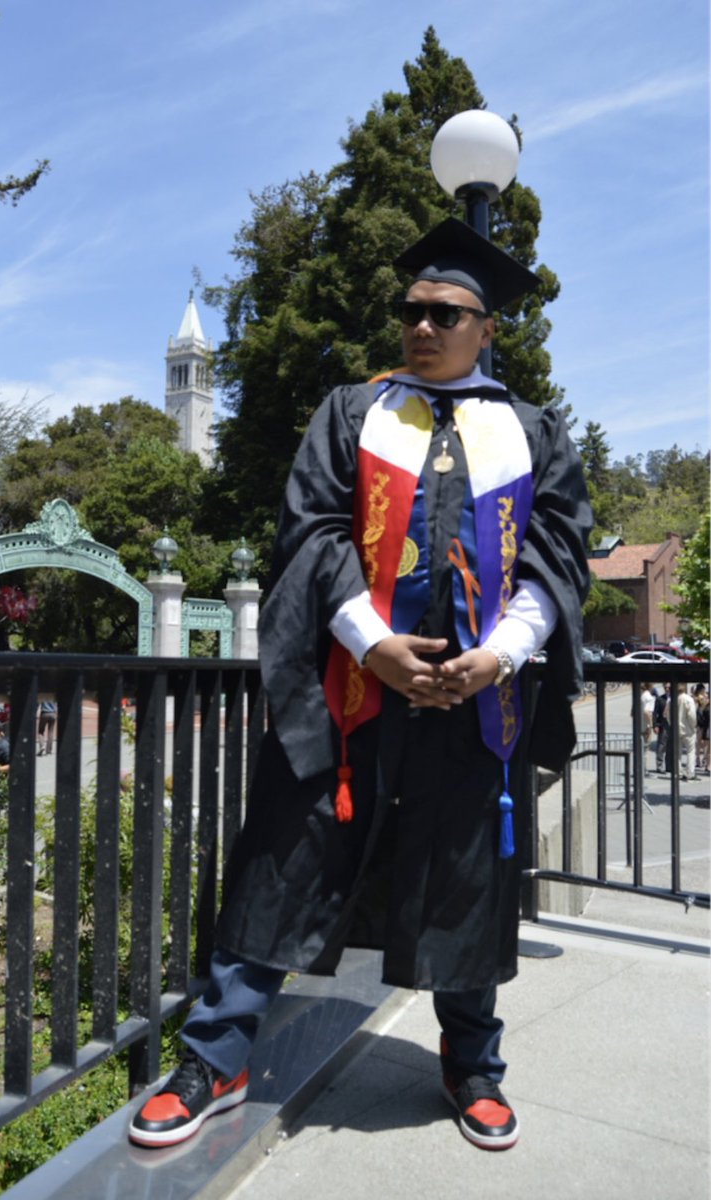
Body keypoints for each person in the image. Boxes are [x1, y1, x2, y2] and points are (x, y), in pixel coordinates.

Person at [129, 218, 591, 1154]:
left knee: (465, 879)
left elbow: (556, 558)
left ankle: (471, 1065)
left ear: (485, 327)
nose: (422, 326)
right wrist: (375, 645)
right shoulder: (353, 412)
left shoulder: (531, 430)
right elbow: (311, 536)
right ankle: (215, 1059)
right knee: (284, 862)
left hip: (475, 705)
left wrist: (498, 654)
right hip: (351, 695)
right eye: (412, 310)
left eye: (445, 312)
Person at [676, 684, 697, 781]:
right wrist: (693, 726)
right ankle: (690, 773)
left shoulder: (672, 699)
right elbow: (692, 715)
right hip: (688, 728)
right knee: (690, 751)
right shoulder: (689, 699)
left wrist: (671, 724)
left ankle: (678, 772)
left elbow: (667, 714)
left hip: (676, 728)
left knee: (677, 752)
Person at [653, 684, 672, 774]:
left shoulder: (675, 698)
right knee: (661, 745)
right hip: (663, 724)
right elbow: (655, 713)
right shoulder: (660, 699)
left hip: (673, 724)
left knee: (670, 745)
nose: (667, 689)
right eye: (665, 687)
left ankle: (669, 766)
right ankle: (659, 766)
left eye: (669, 687)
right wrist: (655, 725)